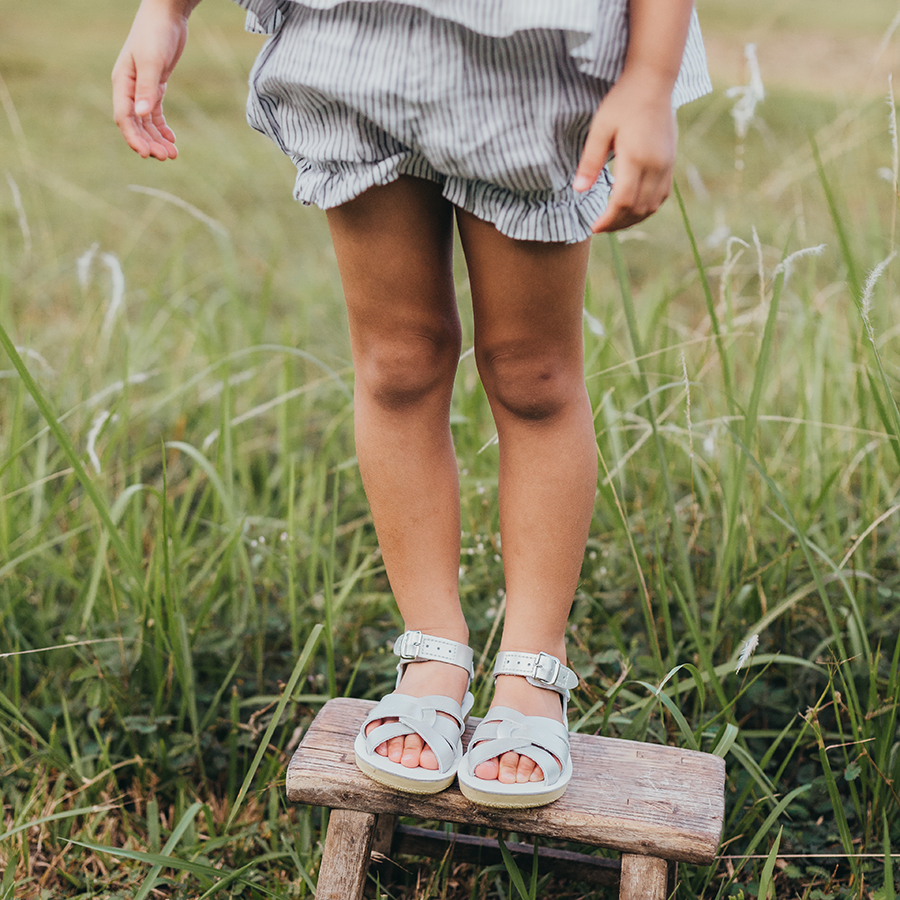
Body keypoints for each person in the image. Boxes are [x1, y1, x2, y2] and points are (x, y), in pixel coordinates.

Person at [113, 0, 711, 808]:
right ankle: (433, 654)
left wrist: (649, 76)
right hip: (359, 32)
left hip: (528, 48)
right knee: (397, 361)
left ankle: (533, 670)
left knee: (533, 374)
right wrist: (166, 10)